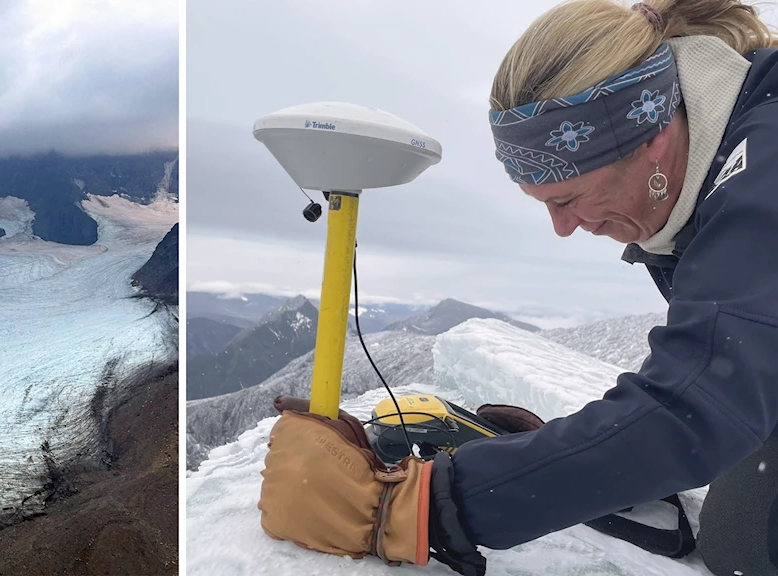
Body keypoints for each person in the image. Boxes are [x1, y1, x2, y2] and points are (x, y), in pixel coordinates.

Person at [256, 1, 778, 575]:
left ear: (649, 140)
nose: (562, 227)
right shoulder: (704, 166)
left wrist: (424, 505)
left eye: (568, 199)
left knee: (750, 553)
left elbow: (701, 399)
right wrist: (548, 463)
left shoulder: (764, 171)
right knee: (740, 529)